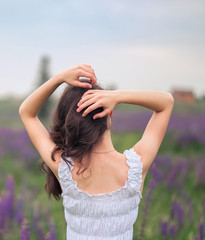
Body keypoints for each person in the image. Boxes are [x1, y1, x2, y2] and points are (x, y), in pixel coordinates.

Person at [19, 64, 174, 240]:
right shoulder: (135, 169)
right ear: (111, 113)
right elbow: (166, 102)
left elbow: (27, 112)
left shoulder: (65, 168)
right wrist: (116, 95)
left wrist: (59, 78)